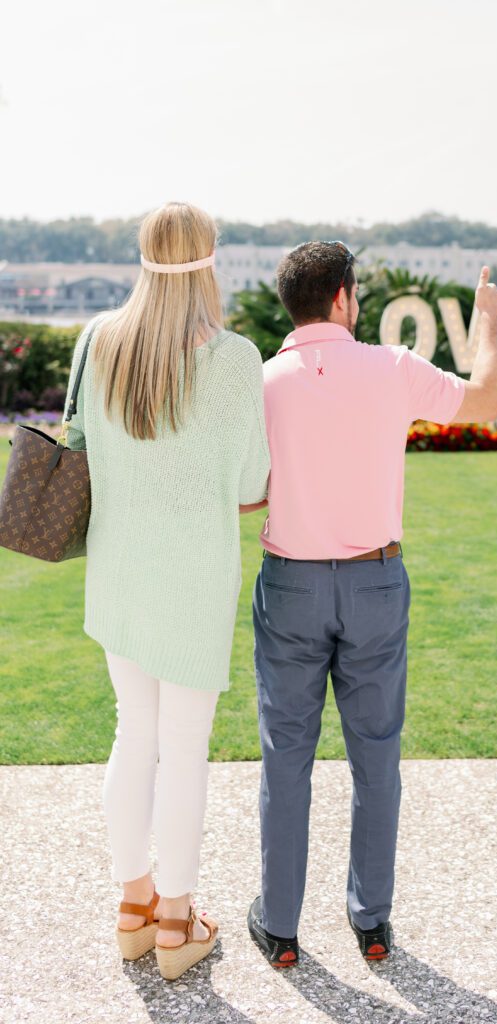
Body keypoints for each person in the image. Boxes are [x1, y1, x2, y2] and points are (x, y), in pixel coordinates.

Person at [247, 241, 497, 967]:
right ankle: (372, 923)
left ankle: (282, 928)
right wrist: (485, 320)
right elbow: (485, 403)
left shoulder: (262, 382)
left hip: (291, 583)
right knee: (375, 757)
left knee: (285, 759)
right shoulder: (390, 368)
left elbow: (240, 490)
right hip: (374, 581)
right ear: (342, 298)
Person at [61, 201, 270, 981]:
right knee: (183, 750)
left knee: (132, 735)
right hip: (193, 576)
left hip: (118, 567)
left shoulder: (98, 338)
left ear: (143, 254)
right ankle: (179, 921)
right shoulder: (236, 357)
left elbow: (77, 443)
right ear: (210, 258)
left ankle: (133, 906)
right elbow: (253, 483)